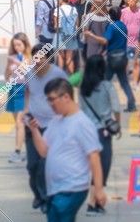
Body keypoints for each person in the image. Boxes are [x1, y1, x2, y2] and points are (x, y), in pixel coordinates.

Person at [26, 78, 106, 222]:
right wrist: (35, 130)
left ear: (66, 97)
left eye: (52, 99)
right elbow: (44, 151)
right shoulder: (56, 120)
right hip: (55, 188)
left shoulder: (82, 123)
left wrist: (98, 189)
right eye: (48, 100)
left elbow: (94, 157)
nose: (50, 104)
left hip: (72, 187)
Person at [23, 44, 69, 212]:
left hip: (52, 125)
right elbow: (28, 93)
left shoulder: (57, 74)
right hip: (32, 124)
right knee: (32, 165)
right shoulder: (29, 73)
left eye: (41, 57)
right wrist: (25, 110)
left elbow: (67, 94)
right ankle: (37, 194)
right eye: (35, 57)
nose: (38, 60)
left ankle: (44, 198)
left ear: (48, 58)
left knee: (44, 164)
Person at [78, 56, 117, 216]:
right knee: (101, 167)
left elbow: (80, 108)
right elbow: (116, 108)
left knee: (91, 168)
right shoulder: (108, 86)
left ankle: (94, 203)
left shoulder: (82, 88)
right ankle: (93, 204)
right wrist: (117, 125)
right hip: (102, 132)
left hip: (86, 132)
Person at [92, 7, 134, 111]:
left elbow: (105, 40)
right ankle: (131, 103)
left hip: (112, 59)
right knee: (124, 82)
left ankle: (98, 102)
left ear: (110, 16)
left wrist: (91, 36)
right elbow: (118, 42)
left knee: (104, 81)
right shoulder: (123, 26)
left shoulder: (112, 27)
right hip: (122, 57)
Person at [4, 33, 32, 164]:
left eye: (19, 44)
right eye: (14, 45)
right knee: (19, 123)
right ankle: (30, 150)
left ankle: (17, 151)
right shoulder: (12, 57)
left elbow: (29, 72)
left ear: (25, 44)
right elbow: (6, 75)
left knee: (20, 123)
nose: (16, 48)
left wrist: (18, 63)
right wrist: (9, 69)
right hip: (13, 87)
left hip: (25, 89)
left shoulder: (30, 57)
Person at [57, 0, 80, 73]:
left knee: (61, 56)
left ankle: (60, 77)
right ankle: (71, 79)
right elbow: (77, 24)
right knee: (69, 58)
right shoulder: (73, 9)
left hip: (61, 35)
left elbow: (55, 25)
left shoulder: (58, 10)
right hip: (71, 35)